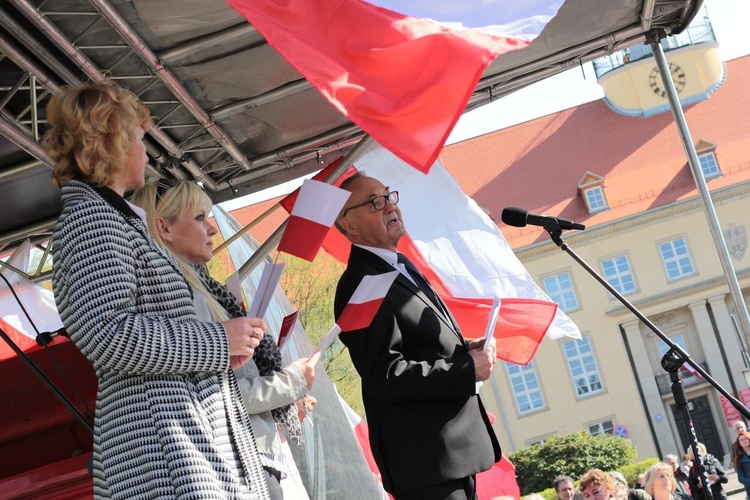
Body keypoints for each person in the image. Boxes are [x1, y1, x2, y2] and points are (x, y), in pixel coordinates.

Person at [46, 82, 270, 499]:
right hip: (166, 456)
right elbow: (107, 334)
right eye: (138, 138)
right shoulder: (91, 221)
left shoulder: (113, 218)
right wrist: (217, 340)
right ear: (111, 142)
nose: (146, 152)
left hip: (177, 446)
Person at [130, 180, 318, 499]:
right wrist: (292, 383)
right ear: (164, 227)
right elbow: (220, 396)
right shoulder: (184, 298)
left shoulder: (202, 290)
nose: (212, 229)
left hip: (247, 457)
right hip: (241, 463)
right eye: (200, 217)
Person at [333, 172, 500, 499]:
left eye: (388, 196)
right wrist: (466, 369)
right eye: (374, 203)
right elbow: (385, 374)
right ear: (349, 225)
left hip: (450, 453)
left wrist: (465, 350)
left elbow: (419, 345)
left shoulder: (398, 265)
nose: (389, 207)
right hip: (426, 461)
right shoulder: (361, 283)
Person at [733, 430, 750, 499]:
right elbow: (741, 478)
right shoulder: (738, 459)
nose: (744, 441)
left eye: (745, 438)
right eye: (741, 440)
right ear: (739, 443)